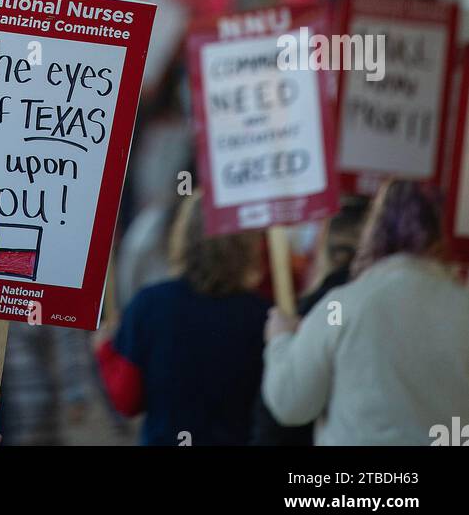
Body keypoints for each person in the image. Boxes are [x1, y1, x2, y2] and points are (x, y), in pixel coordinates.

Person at [262, 180, 469, 445]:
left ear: (373, 232)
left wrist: (281, 339)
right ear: (438, 236)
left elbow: (290, 402)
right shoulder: (462, 306)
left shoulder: (341, 306)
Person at [96, 190, 268, 445]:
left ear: (183, 237)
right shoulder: (264, 315)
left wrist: (104, 349)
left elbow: (127, 401)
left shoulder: (149, 304)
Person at [250, 200, 367, 446]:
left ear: (324, 249)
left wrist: (281, 341)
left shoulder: (316, 309)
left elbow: (283, 409)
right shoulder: (390, 309)